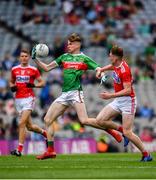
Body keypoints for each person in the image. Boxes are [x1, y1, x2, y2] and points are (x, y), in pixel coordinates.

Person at [31, 33, 123, 160]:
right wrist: (35, 58)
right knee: (47, 120)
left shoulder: (83, 58)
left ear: (77, 44)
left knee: (84, 120)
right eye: (67, 43)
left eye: (70, 43)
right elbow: (47, 68)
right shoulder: (64, 57)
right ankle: (50, 150)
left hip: (76, 93)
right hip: (64, 95)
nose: (68, 45)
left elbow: (98, 68)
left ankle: (110, 130)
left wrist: (100, 74)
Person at [96, 45, 153, 162]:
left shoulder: (124, 69)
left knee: (128, 132)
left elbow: (128, 90)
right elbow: (112, 67)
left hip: (128, 101)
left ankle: (146, 154)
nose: (109, 56)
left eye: (111, 54)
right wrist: (102, 69)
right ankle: (121, 131)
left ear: (116, 57)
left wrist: (110, 96)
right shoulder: (117, 65)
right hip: (119, 100)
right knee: (100, 121)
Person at [10, 49, 47, 157]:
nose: (24, 58)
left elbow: (42, 82)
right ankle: (45, 133)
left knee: (21, 123)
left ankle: (19, 149)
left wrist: (34, 85)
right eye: (22, 56)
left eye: (26, 56)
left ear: (29, 57)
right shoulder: (14, 69)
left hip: (29, 98)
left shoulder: (33, 69)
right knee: (29, 127)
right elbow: (11, 81)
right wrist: (12, 87)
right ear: (19, 58)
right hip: (18, 99)